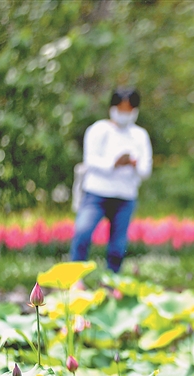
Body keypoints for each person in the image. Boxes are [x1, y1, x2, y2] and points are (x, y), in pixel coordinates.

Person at [70, 87, 152, 273]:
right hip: (97, 193)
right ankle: (75, 278)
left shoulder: (139, 135)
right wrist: (113, 163)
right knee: (83, 232)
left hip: (125, 195)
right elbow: (90, 160)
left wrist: (133, 163)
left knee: (118, 245)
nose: (124, 113)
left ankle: (112, 282)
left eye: (129, 109)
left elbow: (146, 169)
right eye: (121, 108)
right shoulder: (98, 130)